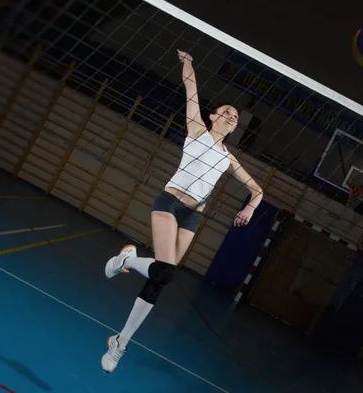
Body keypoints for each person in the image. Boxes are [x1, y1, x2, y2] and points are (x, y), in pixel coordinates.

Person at [101, 49, 264, 373]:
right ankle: (127, 261)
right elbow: (192, 91)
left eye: (236, 117)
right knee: (164, 270)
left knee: (162, 279)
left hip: (193, 215)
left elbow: (258, 190)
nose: (232, 117)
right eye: (227, 112)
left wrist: (249, 208)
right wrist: (188, 63)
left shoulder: (229, 158)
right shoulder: (197, 130)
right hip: (169, 203)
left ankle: (120, 341)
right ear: (214, 115)